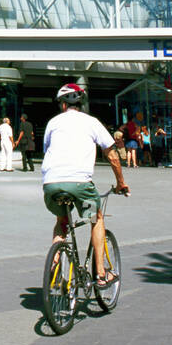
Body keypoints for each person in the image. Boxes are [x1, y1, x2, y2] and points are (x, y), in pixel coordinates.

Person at [42, 82, 128, 286]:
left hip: (52, 184)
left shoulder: (53, 123)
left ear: (63, 105)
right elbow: (113, 155)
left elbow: (47, 151)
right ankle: (100, 273)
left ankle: (54, 272)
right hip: (80, 186)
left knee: (62, 223)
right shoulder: (92, 123)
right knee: (95, 218)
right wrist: (121, 183)